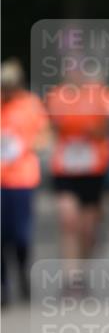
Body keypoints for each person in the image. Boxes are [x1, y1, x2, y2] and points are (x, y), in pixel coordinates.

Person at [47, 61, 109, 271]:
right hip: (66, 168)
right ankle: (72, 275)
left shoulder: (101, 95)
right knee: (68, 220)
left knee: (88, 228)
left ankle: (83, 267)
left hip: (93, 169)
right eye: (71, 70)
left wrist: (94, 129)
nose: (76, 75)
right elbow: (53, 126)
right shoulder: (57, 96)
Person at [1, 59, 49, 306]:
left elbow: (44, 137)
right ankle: (3, 285)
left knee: (20, 235)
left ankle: (22, 272)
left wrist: (24, 146)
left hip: (22, 178)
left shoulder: (30, 105)